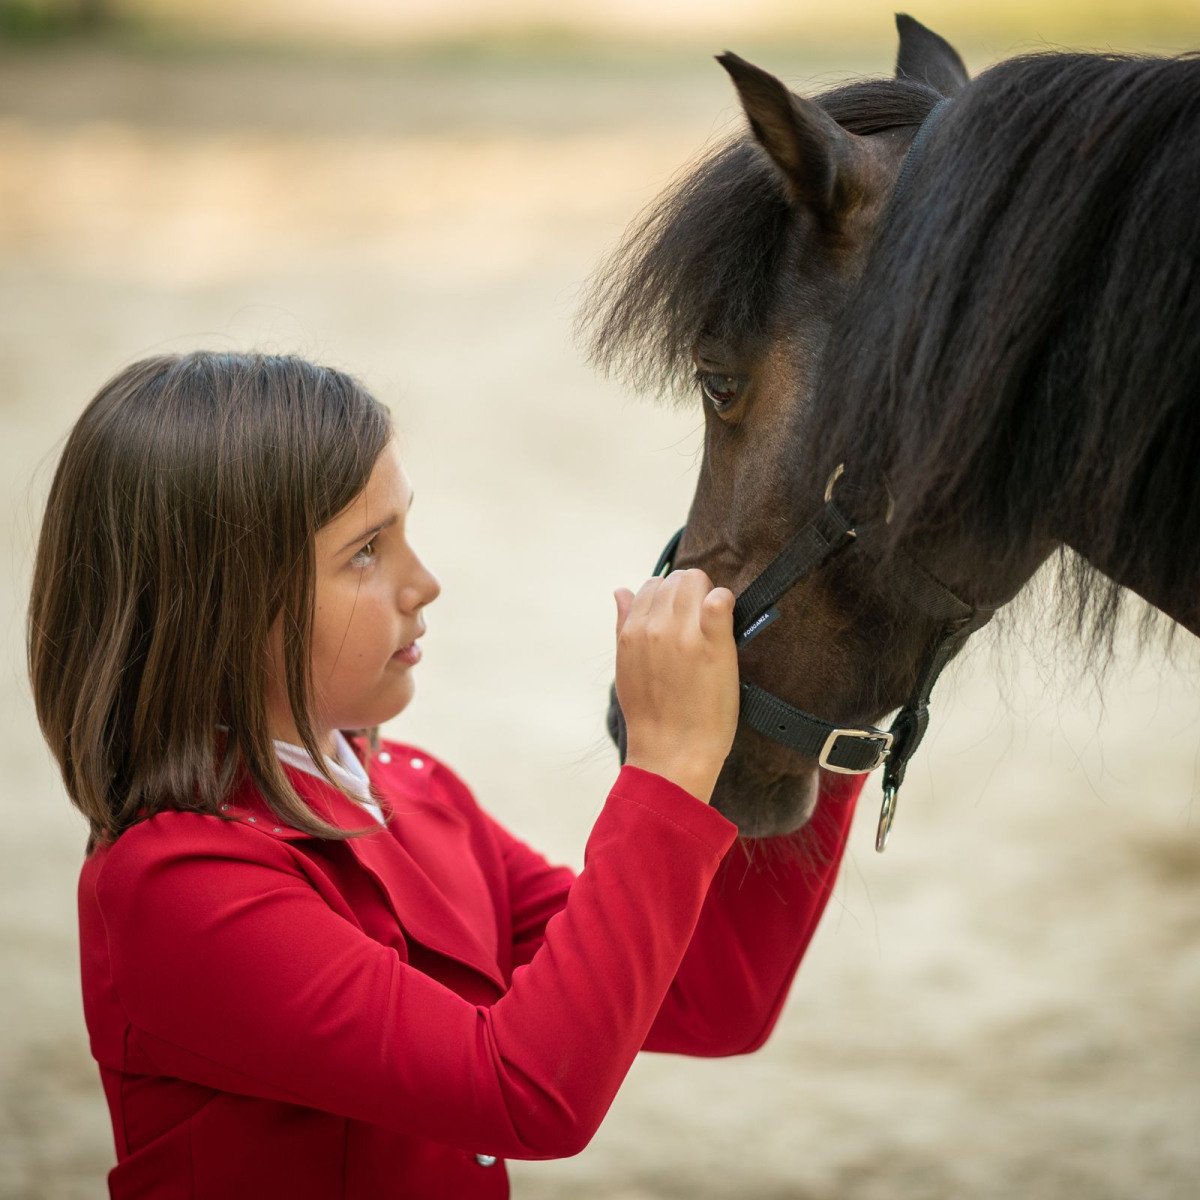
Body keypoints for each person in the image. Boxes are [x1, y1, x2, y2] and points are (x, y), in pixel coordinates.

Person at [27, 351, 864, 1199]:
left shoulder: (412, 792)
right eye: (364, 553)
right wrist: (669, 769)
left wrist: (831, 688)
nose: (423, 582)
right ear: (221, 610)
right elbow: (525, 1092)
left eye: (403, 532)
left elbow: (707, 996)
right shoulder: (175, 887)